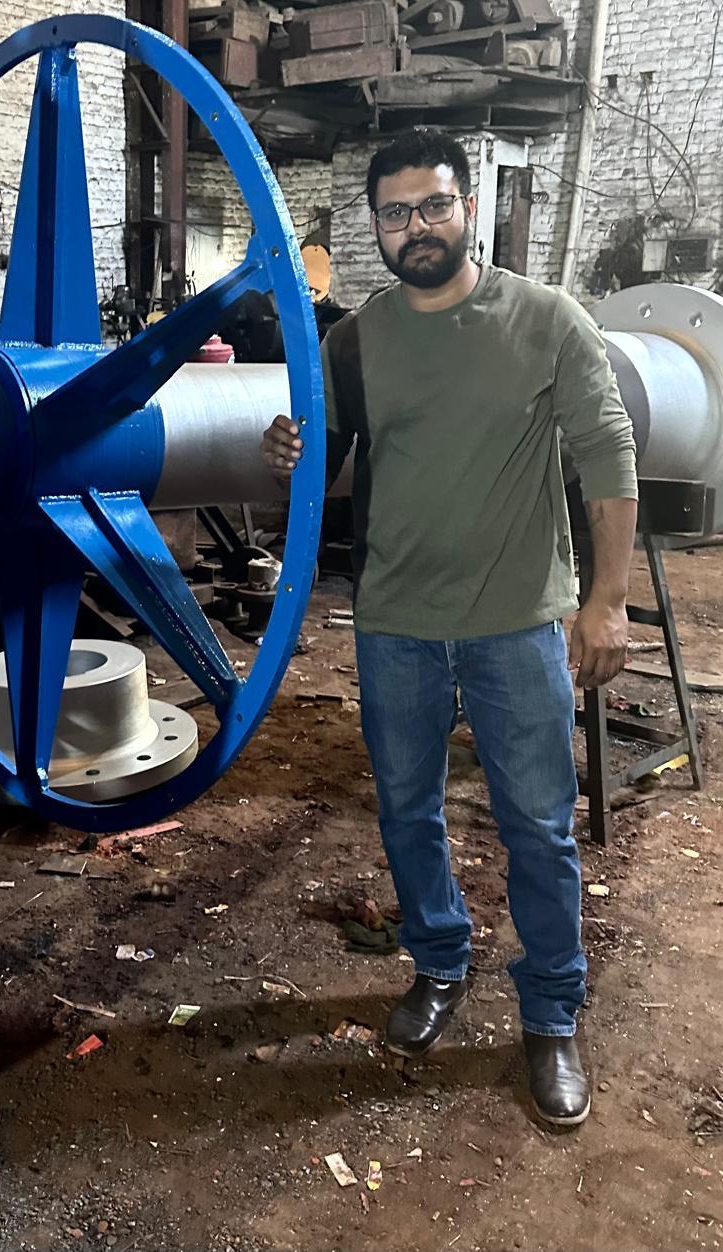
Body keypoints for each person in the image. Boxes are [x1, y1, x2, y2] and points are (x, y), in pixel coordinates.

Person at [261, 127, 638, 1127]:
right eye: (394, 213)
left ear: (467, 208)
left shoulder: (546, 319)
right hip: (393, 624)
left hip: (516, 626)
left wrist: (604, 600)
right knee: (405, 813)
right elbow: (326, 463)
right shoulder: (353, 340)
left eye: (431, 205)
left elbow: (605, 453)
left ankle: (550, 1013)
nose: (414, 226)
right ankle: (437, 960)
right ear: (374, 227)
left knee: (535, 828)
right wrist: (286, 446)